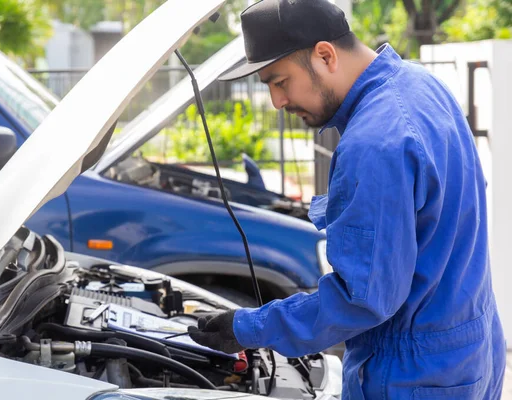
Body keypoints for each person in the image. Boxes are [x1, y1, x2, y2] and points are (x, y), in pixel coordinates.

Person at [188, 0, 506, 398]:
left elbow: (363, 299)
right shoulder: (421, 85)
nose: (277, 102)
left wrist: (247, 327)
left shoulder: (374, 142)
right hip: (469, 352)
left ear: (325, 55)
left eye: (279, 81)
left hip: (411, 376)